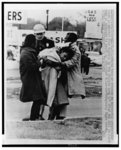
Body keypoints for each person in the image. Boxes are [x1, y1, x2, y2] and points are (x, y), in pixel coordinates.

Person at [48, 32, 86, 120]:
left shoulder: (75, 50)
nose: (64, 38)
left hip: (68, 76)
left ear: (71, 39)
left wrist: (60, 63)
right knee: (59, 96)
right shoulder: (68, 47)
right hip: (64, 74)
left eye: (66, 37)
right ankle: (58, 115)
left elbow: (72, 62)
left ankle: (59, 116)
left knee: (61, 97)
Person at [37, 46, 74, 119]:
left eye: (66, 57)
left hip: (55, 82)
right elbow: (49, 62)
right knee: (55, 101)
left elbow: (55, 64)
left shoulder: (59, 62)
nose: (64, 58)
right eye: (64, 56)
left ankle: (50, 117)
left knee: (56, 101)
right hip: (51, 81)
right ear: (61, 52)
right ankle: (48, 117)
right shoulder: (52, 56)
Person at [19, 34, 46, 121]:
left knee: (38, 98)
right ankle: (34, 118)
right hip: (30, 79)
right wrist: (40, 62)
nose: (36, 43)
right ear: (31, 42)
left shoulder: (28, 51)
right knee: (38, 98)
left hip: (32, 78)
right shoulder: (26, 53)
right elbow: (31, 66)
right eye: (35, 41)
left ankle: (35, 117)